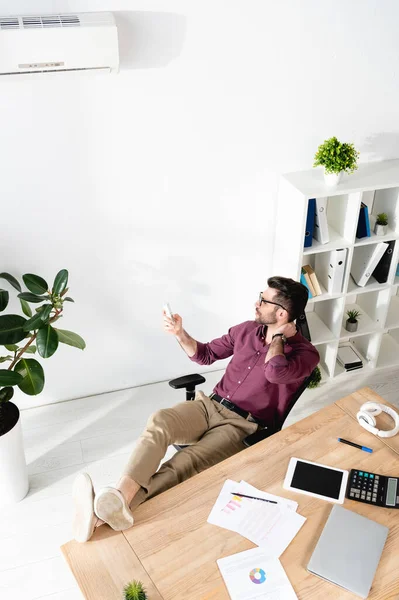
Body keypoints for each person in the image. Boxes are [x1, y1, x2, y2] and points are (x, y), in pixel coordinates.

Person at [72, 276, 319, 542]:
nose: (256, 303)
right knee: (161, 420)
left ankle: (102, 514)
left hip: (242, 425)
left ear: (281, 313)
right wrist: (180, 333)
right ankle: (118, 498)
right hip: (210, 405)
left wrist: (279, 337)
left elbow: (274, 372)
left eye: (263, 300)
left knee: (185, 462)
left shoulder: (305, 354)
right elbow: (205, 354)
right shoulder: (246, 330)